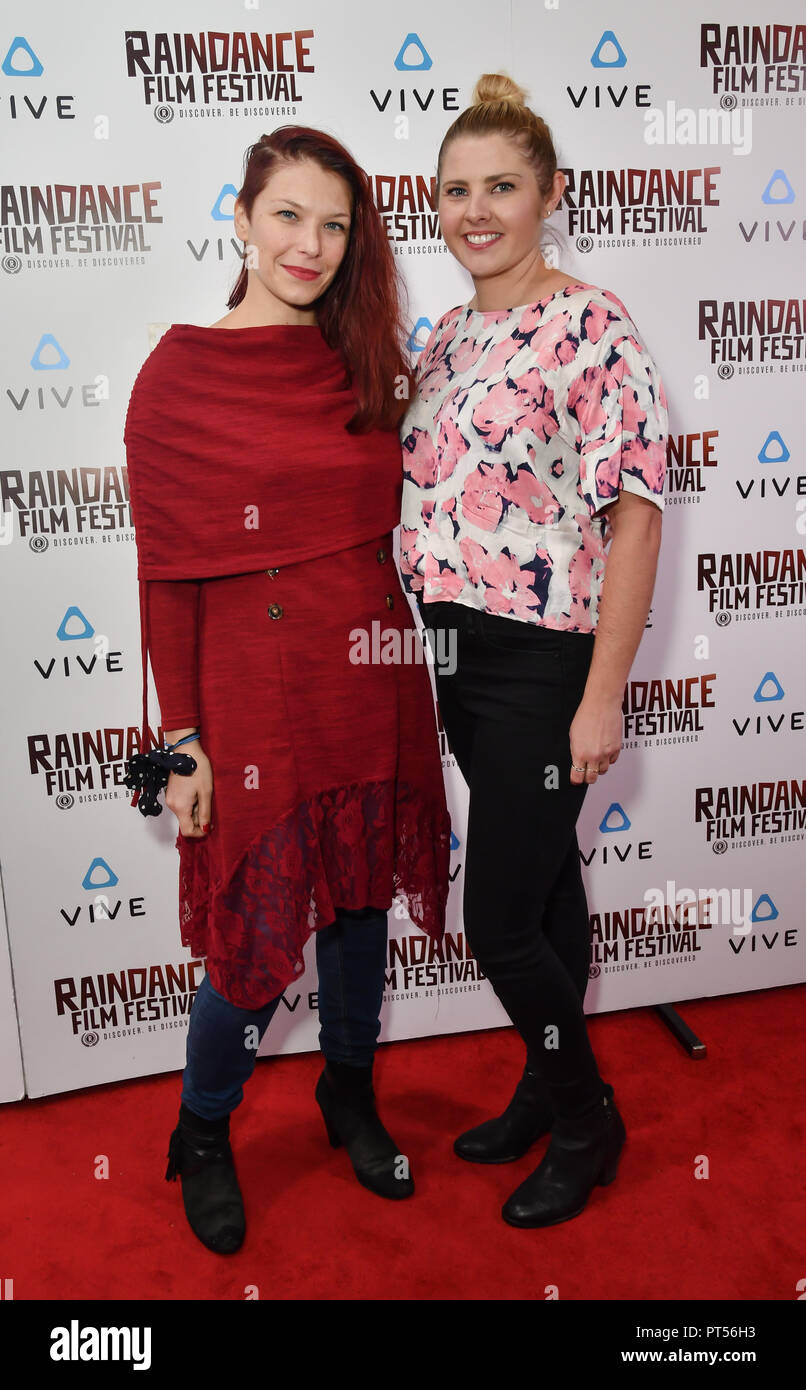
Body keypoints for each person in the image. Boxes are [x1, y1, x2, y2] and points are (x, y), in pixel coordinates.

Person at [123, 126, 451, 1255]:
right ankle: (203, 1129)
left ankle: (346, 1092)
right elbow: (166, 579)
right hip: (250, 690)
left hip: (369, 665)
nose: (309, 243)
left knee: (358, 901)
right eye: (287, 216)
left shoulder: (364, 358)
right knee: (256, 934)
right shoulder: (177, 376)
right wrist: (181, 742)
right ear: (243, 218)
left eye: (333, 222)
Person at [398, 73, 668, 1228]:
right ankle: (540, 1086)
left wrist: (602, 693)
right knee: (547, 878)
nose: (474, 209)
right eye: (455, 189)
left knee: (498, 918)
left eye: (500, 186)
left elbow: (636, 511)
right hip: (455, 657)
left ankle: (581, 1116)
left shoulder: (593, 321)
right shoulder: (444, 333)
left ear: (548, 194)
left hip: (545, 661)